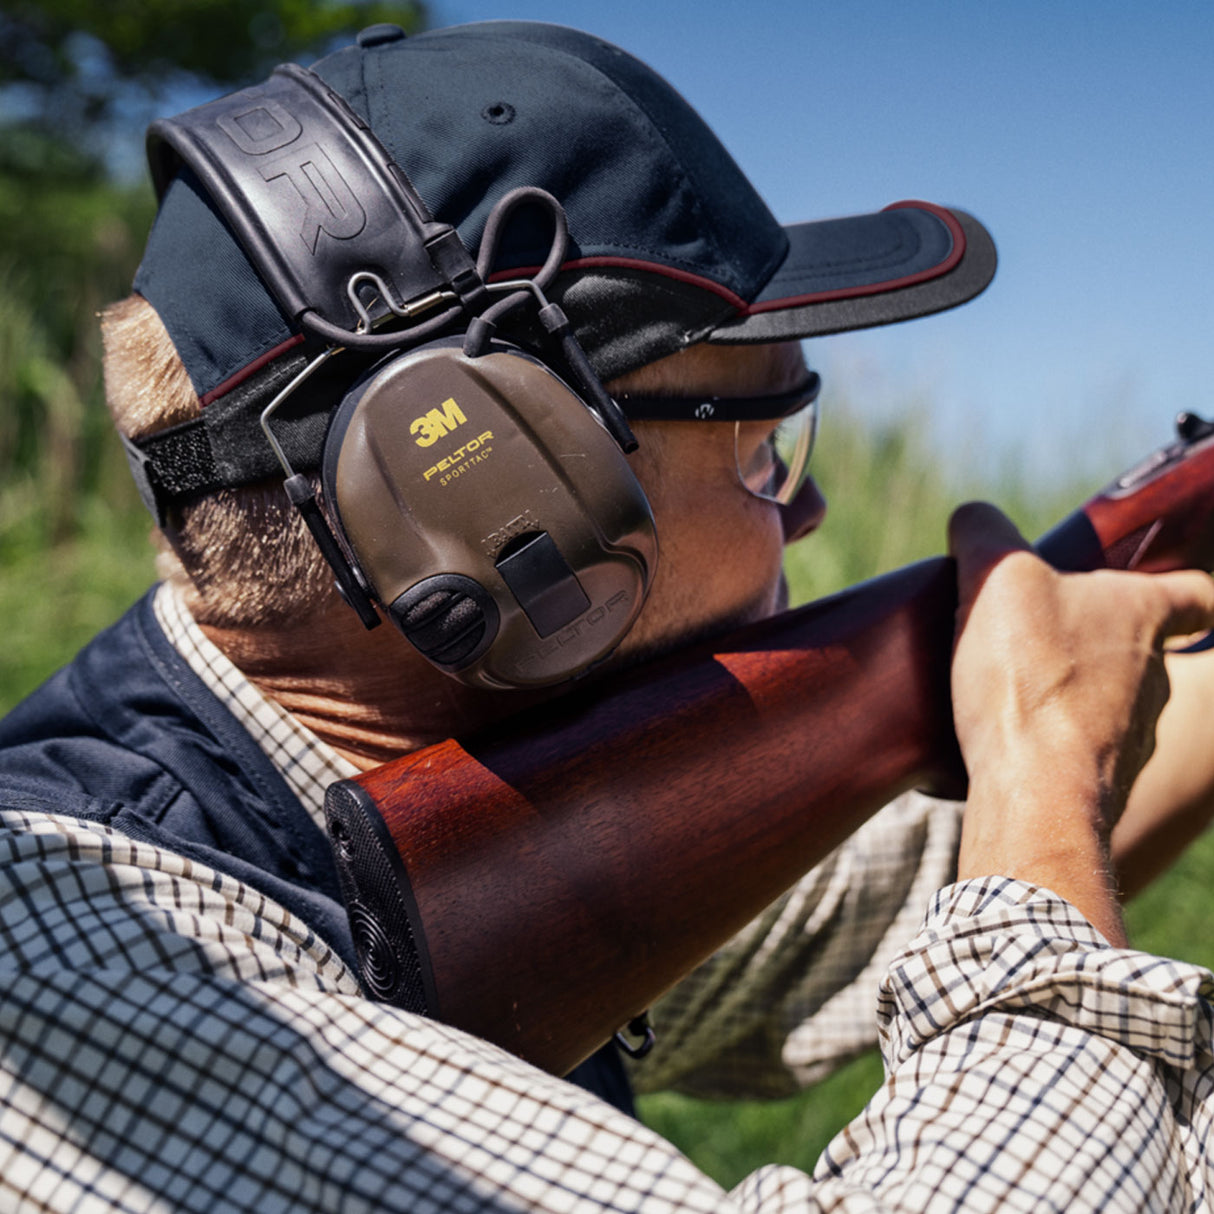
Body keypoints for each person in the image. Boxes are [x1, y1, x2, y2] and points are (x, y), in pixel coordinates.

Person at [3, 19, 1214, 1211]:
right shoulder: (57, 959)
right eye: (762, 451)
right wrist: (1041, 764)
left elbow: (873, 902)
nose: (809, 508)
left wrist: (1060, 717)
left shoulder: (446, 815)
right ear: (497, 500)